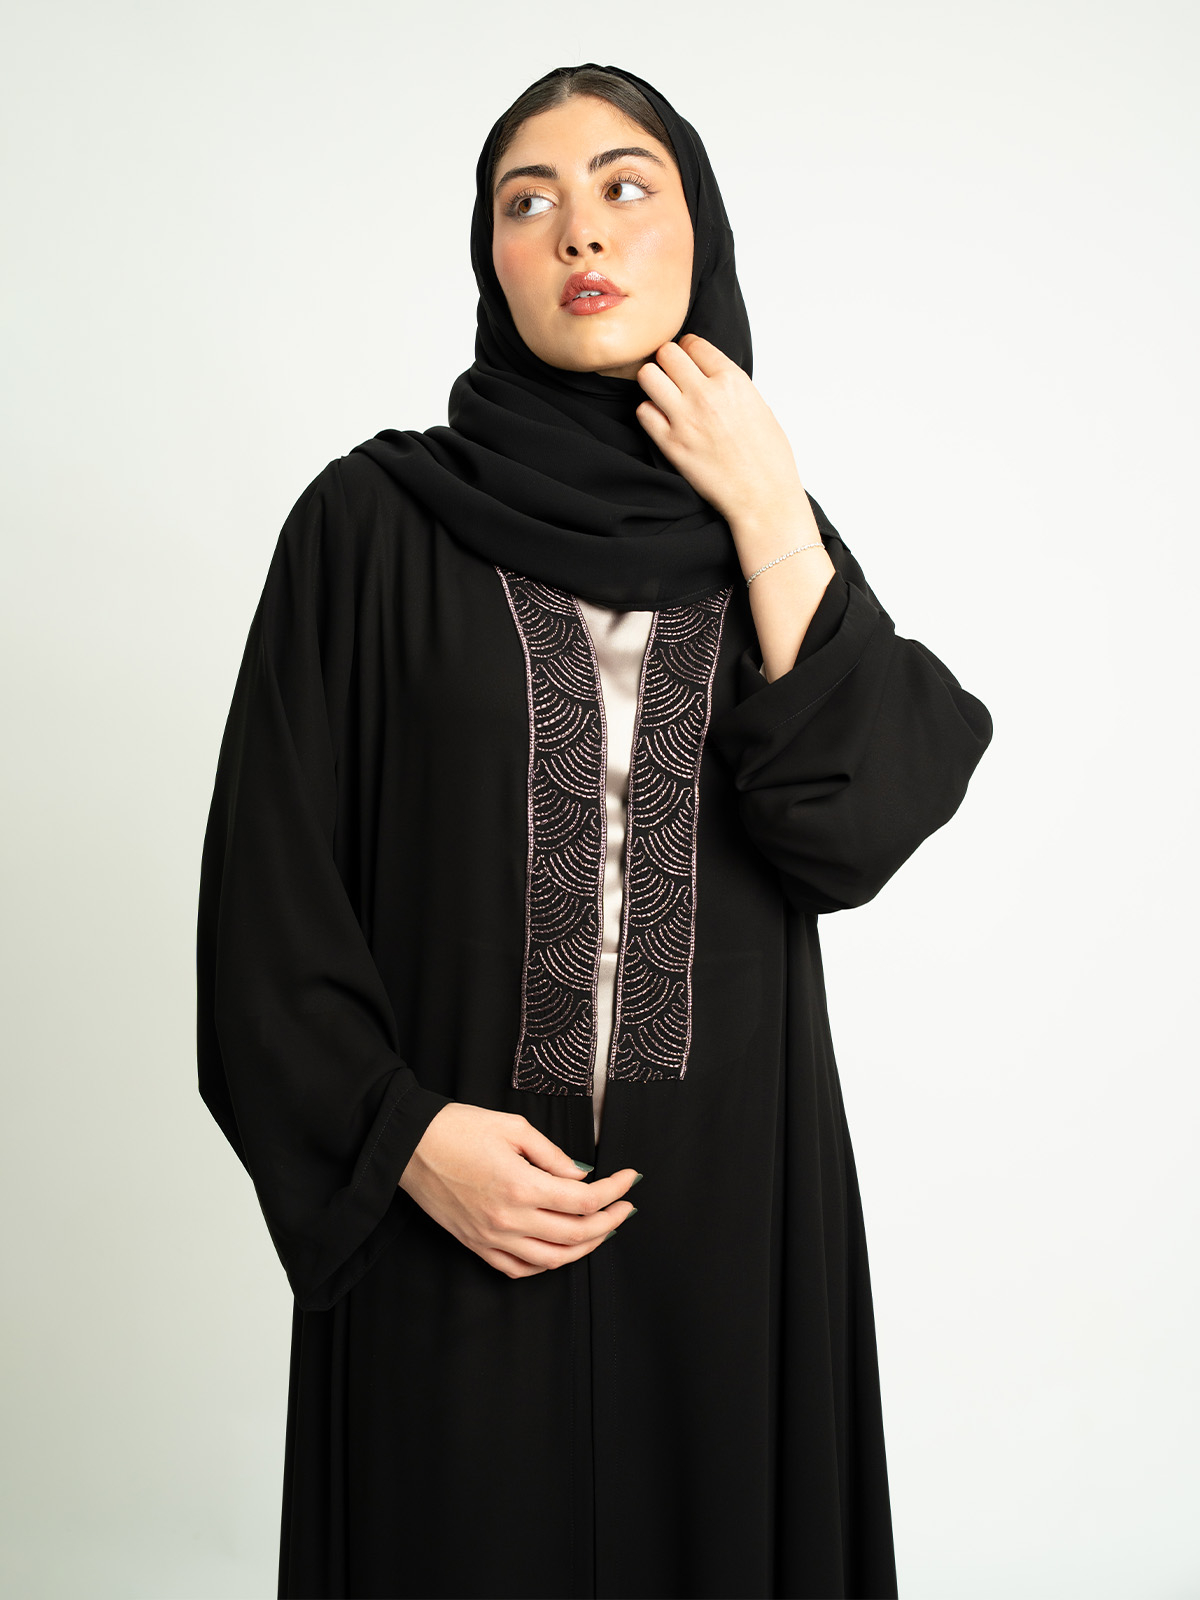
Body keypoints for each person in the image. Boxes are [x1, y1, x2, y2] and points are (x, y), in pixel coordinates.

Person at [196, 61, 993, 1600]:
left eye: (628, 187)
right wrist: (402, 1139)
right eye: (530, 201)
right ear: (490, 261)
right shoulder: (367, 528)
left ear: (702, 235)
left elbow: (855, 824)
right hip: (454, 1229)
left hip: (732, 1246)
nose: (581, 230)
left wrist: (771, 512)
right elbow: (264, 908)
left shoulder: (769, 536)